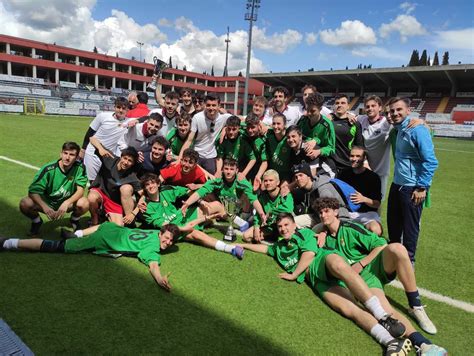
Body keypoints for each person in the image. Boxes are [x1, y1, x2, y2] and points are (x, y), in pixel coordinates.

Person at [238, 213, 413, 356]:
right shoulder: (279, 247)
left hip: (322, 261)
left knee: (339, 265)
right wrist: (238, 245)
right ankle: (390, 342)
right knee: (348, 309)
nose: (283, 229)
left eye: (286, 225)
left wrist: (294, 274)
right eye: (280, 227)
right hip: (316, 280)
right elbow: (265, 249)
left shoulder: (304, 233)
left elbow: (309, 254)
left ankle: (383, 316)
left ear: (294, 225)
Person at [314, 197, 445, 354]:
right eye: (320, 213)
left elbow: (382, 244)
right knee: (387, 312)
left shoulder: (350, 228)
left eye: (327, 211)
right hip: (353, 281)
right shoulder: (321, 234)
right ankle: (423, 344)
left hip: (370, 271)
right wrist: (320, 230)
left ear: (336, 212)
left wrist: (361, 263)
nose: (323, 215)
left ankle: (416, 306)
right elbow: (304, 232)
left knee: (398, 248)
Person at [0, 222, 180, 292]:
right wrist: (159, 279)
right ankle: (7, 243)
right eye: (167, 238)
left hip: (112, 228)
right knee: (55, 247)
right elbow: (153, 266)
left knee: (103, 225)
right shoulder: (153, 249)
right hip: (103, 240)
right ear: (161, 234)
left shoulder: (155, 231)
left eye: (171, 241)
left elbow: (172, 231)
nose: (168, 242)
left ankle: (76, 234)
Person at [137, 173, 244, 259]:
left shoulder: (166, 191)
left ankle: (243, 224)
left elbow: (188, 191)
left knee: (216, 205)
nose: (151, 186)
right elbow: (165, 226)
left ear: (158, 184)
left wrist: (201, 201)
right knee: (198, 235)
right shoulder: (146, 207)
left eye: (152, 183)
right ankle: (231, 249)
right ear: (144, 188)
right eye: (147, 185)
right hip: (174, 229)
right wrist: (184, 228)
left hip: (183, 216)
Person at [386, 97, 438, 264]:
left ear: (408, 110)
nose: (395, 113)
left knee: (410, 228)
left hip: (412, 188)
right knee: (393, 225)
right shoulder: (398, 129)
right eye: (392, 110)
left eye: (399, 109)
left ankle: (409, 262)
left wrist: (422, 187)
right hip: (397, 185)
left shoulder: (417, 129)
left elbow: (430, 161)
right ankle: (394, 257)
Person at [19, 142, 89, 235]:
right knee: (25, 203)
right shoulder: (48, 169)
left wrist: (67, 202)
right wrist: (45, 207)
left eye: (71, 155)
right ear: (61, 154)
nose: (67, 157)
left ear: (76, 157)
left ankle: (74, 220)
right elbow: (32, 191)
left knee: (84, 203)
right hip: (47, 203)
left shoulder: (80, 168)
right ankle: (36, 222)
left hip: (67, 204)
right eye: (65, 153)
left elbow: (80, 191)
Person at [182, 158, 266, 230]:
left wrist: (262, 214)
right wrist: (187, 203)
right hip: (224, 207)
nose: (228, 172)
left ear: (237, 171)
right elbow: (201, 192)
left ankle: (244, 218)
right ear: (222, 170)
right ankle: (219, 216)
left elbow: (254, 200)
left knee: (247, 193)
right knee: (206, 193)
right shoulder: (218, 180)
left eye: (231, 169)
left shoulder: (242, 182)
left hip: (239, 209)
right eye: (226, 169)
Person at [178, 92, 230, 174]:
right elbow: (189, 140)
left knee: (210, 181)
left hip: (211, 157)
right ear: (205, 105)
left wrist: (225, 128)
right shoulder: (197, 118)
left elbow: (241, 119)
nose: (211, 108)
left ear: (219, 106)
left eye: (214, 105)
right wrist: (180, 158)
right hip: (196, 154)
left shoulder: (224, 118)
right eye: (208, 105)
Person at [88, 147, 141, 226]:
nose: (126, 162)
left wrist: (133, 213)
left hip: (114, 202)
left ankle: (127, 222)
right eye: (125, 158)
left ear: (133, 163)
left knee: (118, 226)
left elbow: (144, 195)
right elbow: (92, 139)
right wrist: (101, 149)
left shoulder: (132, 176)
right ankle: (95, 220)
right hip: (100, 193)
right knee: (92, 197)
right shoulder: (109, 159)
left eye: (130, 161)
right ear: (121, 157)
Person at [81, 96, 130, 181]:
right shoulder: (103, 116)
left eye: (123, 108)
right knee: (92, 182)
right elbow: (90, 133)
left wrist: (136, 121)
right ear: (114, 107)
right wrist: (83, 150)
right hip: (93, 153)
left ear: (127, 110)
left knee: (104, 182)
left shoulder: (129, 122)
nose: (121, 110)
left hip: (108, 156)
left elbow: (145, 119)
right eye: (118, 107)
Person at [289, 162, 349, 229]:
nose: (298, 179)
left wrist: (325, 231)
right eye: (296, 177)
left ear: (309, 176)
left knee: (315, 231)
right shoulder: (306, 190)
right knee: (291, 223)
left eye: (301, 175)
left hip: (338, 218)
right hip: (319, 217)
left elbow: (330, 212)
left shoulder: (322, 188)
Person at [338, 146, 383, 235]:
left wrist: (363, 199)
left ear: (364, 158)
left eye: (358, 156)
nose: (354, 159)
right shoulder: (343, 174)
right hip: (347, 213)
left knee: (376, 230)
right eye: (352, 156)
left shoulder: (373, 177)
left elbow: (377, 204)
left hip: (368, 214)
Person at [242, 169, 294, 243]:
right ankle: (271, 237)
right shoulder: (263, 196)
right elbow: (258, 213)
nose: (268, 183)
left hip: (284, 226)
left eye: (271, 180)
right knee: (246, 236)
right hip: (270, 227)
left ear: (278, 182)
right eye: (265, 181)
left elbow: (288, 209)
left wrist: (271, 212)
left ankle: (275, 239)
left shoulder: (285, 193)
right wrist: (256, 227)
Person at [297, 93, 336, 177]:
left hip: (322, 163)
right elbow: (296, 136)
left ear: (320, 109)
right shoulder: (303, 120)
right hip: (302, 159)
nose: (309, 113)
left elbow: (331, 148)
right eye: (308, 110)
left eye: (313, 111)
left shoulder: (327, 125)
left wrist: (318, 151)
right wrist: (312, 139)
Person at [330, 94, 364, 175]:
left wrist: (361, 163)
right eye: (337, 103)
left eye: (343, 103)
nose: (339, 105)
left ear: (348, 106)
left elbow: (359, 146)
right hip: (331, 165)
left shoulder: (354, 123)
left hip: (348, 164)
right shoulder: (329, 121)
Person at [215, 115, 256, 180]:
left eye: (234, 129)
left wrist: (243, 173)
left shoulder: (244, 139)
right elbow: (219, 157)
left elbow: (253, 159)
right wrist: (218, 170)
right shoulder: (222, 138)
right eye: (229, 129)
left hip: (240, 165)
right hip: (227, 166)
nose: (231, 132)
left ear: (239, 128)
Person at [264, 113, 292, 183]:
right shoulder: (269, 134)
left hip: (286, 174)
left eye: (278, 123)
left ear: (285, 125)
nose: (276, 126)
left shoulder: (290, 137)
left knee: (284, 190)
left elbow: (305, 139)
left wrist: (315, 140)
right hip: (271, 173)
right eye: (274, 123)